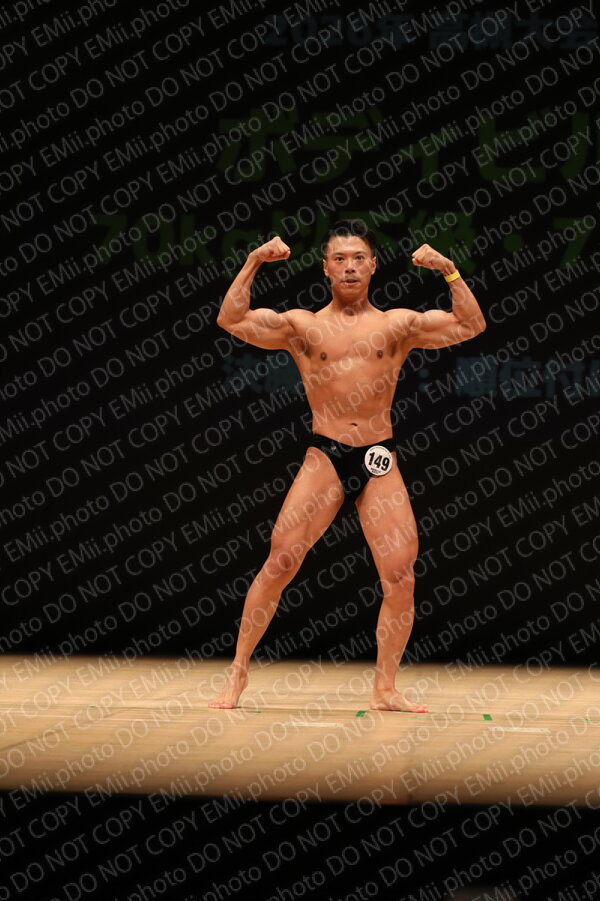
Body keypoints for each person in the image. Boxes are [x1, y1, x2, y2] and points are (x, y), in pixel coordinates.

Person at [210, 219, 486, 711]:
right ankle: (238, 671)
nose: (350, 266)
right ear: (326, 269)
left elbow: (470, 325)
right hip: (326, 454)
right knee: (281, 560)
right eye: (340, 259)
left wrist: (448, 270)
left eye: (359, 258)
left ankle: (385, 688)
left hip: (379, 456)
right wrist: (253, 260)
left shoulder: (396, 324)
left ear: (373, 266)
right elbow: (232, 319)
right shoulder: (303, 326)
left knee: (400, 575)